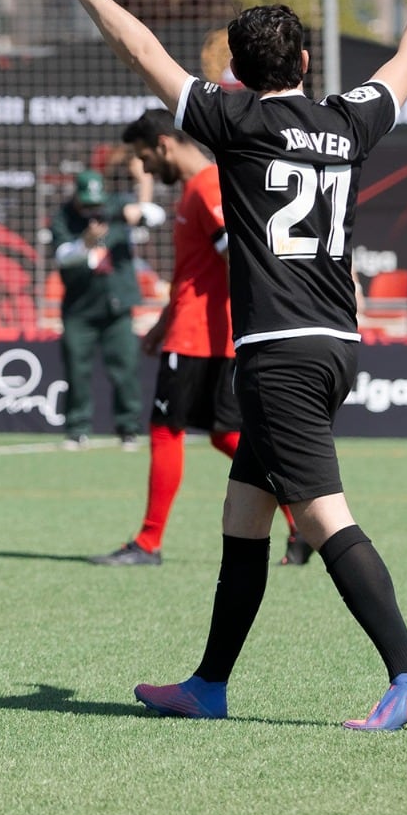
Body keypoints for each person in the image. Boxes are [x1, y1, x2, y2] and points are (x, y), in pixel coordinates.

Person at [51, 0, 407, 730]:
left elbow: (141, 48)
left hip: (281, 353)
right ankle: (209, 684)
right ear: (305, 59)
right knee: (245, 516)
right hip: (335, 342)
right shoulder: (347, 121)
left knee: (322, 515)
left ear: (235, 72)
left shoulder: (232, 119)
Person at [89, 110, 242, 566]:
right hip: (198, 331)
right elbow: (198, 273)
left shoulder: (208, 186)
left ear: (163, 145)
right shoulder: (198, 189)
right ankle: (301, 522)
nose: (147, 170)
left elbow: (237, 257)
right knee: (225, 435)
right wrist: (160, 326)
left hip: (200, 336)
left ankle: (149, 543)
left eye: (145, 158)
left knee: (165, 430)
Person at [50, 167, 162, 450]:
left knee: (125, 368)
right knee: (77, 370)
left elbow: (153, 216)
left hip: (117, 306)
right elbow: (62, 257)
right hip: (79, 309)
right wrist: (83, 244)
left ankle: (128, 429)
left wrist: (140, 202)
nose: (92, 210)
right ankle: (77, 429)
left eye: (95, 204)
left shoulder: (118, 206)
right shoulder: (64, 217)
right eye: (86, 203)